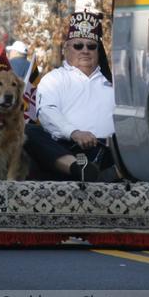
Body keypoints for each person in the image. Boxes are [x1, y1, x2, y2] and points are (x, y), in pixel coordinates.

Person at [24, 10, 117, 182]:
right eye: (78, 46)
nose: (85, 51)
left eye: (91, 46)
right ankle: (79, 169)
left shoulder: (114, 84)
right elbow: (47, 112)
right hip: (67, 150)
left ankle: (110, 171)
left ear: (99, 51)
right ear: (66, 49)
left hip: (108, 151)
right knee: (28, 132)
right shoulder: (55, 78)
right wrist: (74, 133)